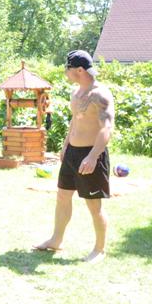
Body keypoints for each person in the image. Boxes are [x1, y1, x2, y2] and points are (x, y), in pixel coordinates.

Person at [33, 50, 114, 264]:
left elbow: (106, 128)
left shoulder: (100, 95)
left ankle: (99, 250)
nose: (65, 72)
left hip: (91, 154)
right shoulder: (76, 92)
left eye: (67, 68)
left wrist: (93, 156)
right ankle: (56, 240)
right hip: (72, 153)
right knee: (62, 196)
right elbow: (75, 120)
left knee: (94, 205)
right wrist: (66, 145)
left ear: (79, 70)